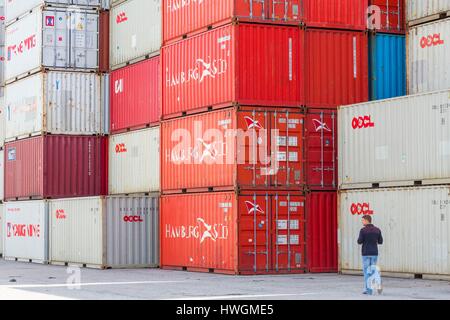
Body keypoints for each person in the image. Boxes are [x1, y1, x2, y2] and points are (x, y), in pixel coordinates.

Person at [357, 215, 383, 295]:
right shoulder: (377, 230)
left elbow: (359, 241)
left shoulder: (363, 230)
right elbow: (380, 241)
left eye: (362, 220)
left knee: (366, 272)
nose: (362, 222)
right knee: (373, 271)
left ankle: (368, 290)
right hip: (374, 253)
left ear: (366, 220)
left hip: (366, 253)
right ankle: (378, 283)